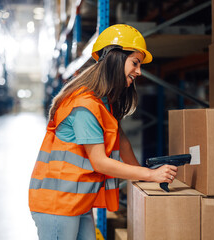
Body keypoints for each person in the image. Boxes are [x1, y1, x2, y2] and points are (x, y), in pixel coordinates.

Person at [29, 24, 178, 240]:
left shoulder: (103, 103)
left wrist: (143, 175)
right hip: (57, 205)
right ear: (115, 59)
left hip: (78, 201)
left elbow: (122, 141)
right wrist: (150, 174)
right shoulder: (84, 105)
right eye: (135, 63)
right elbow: (99, 162)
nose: (138, 71)